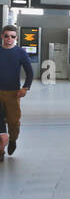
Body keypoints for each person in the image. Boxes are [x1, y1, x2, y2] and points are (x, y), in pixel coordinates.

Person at [0, 25, 34, 156]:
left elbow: (29, 72)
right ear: (2, 36)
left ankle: (13, 139)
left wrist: (25, 88)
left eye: (12, 36)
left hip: (13, 93)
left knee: (13, 122)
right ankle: (1, 149)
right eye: (6, 36)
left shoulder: (20, 53)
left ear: (16, 38)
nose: (9, 39)